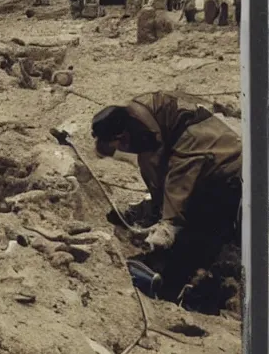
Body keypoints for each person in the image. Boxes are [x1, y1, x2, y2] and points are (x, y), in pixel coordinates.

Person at [90, 91, 242, 310]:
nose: (122, 148)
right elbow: (156, 171)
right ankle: (167, 274)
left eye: (121, 142)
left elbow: (179, 181)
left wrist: (168, 224)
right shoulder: (146, 125)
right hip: (203, 175)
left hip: (225, 173)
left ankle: (197, 289)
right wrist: (155, 212)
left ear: (125, 134)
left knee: (200, 232)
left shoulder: (190, 139)